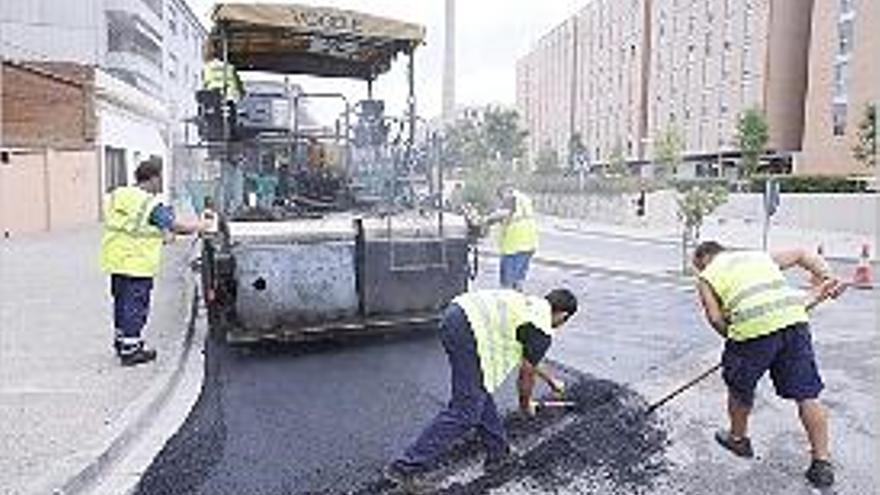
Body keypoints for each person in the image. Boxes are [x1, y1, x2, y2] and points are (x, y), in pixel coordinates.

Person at [384, 288, 578, 491]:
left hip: (456, 314)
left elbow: (530, 355)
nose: (561, 325)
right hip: (468, 332)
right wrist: (524, 404)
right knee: (465, 411)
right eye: (564, 321)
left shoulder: (528, 306)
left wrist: (551, 380)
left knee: (479, 392)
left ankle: (498, 453)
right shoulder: (541, 327)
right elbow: (526, 374)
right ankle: (404, 468)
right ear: (563, 315)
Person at [692, 241, 845, 488]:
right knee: (807, 395)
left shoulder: (706, 277)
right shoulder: (756, 256)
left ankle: (738, 440)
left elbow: (715, 317)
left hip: (751, 333)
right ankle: (821, 463)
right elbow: (802, 252)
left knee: (739, 387)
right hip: (794, 324)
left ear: (702, 261)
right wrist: (826, 276)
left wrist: (733, 337)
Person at [100, 159, 210, 366]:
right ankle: (132, 351)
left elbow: (131, 226)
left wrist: (160, 234)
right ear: (153, 178)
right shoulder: (149, 203)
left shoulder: (119, 195)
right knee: (136, 306)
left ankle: (121, 342)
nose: (162, 184)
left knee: (121, 304)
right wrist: (201, 226)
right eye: (161, 178)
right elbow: (176, 225)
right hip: (136, 263)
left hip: (115, 260)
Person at [483, 185, 538, 290]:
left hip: (514, 247)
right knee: (519, 279)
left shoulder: (511, 197)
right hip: (529, 244)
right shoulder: (524, 199)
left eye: (500, 197)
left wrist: (485, 220)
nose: (501, 201)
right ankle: (517, 301)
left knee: (507, 282)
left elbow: (501, 214)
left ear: (505, 192)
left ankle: (508, 302)